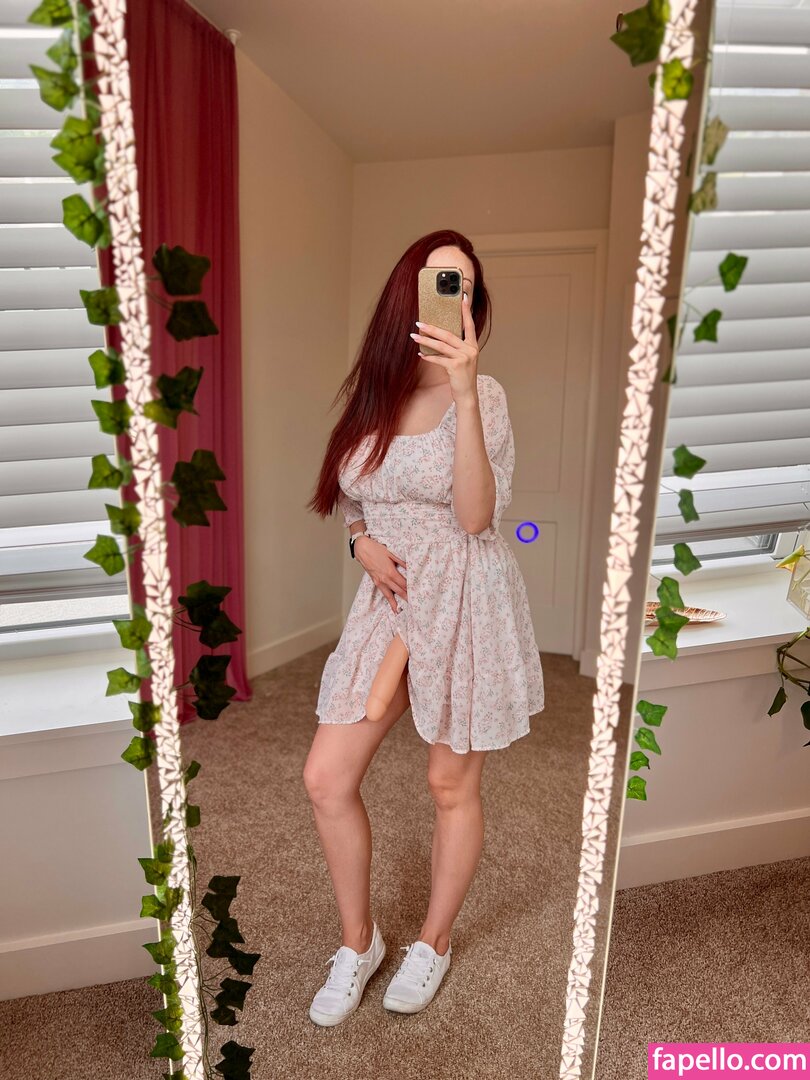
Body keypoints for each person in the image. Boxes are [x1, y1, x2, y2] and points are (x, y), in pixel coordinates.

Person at [304, 229, 545, 1026]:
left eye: (466, 286)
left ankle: (433, 943)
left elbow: (476, 517)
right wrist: (359, 542)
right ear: (406, 294)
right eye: (442, 281)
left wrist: (466, 394)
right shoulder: (373, 394)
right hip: (391, 598)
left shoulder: (487, 396)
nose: (456, 296)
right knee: (326, 777)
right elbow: (351, 494)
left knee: (449, 783)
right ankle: (359, 942)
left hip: (464, 595)